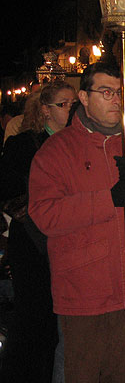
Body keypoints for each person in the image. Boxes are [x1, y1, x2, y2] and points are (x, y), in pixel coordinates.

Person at [28, 63, 125, 381]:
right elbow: (45, 214)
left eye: (119, 92)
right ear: (83, 98)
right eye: (106, 92)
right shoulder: (57, 150)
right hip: (84, 290)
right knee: (84, 373)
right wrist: (107, 199)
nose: (116, 99)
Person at [0, 81, 76, 383]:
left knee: (64, 326)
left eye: (74, 103)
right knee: (35, 322)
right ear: (45, 110)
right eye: (63, 104)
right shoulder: (23, 144)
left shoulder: (77, 143)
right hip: (33, 245)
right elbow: (7, 189)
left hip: (67, 243)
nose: (71, 108)